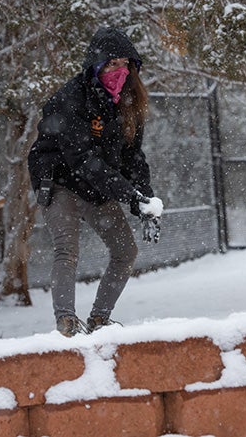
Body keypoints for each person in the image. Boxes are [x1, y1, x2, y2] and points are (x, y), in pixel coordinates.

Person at [27, 27, 163, 336]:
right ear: (96, 65)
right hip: (60, 181)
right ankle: (66, 323)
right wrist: (128, 195)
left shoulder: (128, 103)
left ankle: (100, 319)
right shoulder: (70, 98)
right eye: (112, 64)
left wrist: (146, 201)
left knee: (125, 251)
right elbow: (82, 160)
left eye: (126, 64)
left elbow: (132, 157)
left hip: (97, 185)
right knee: (67, 250)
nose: (120, 71)